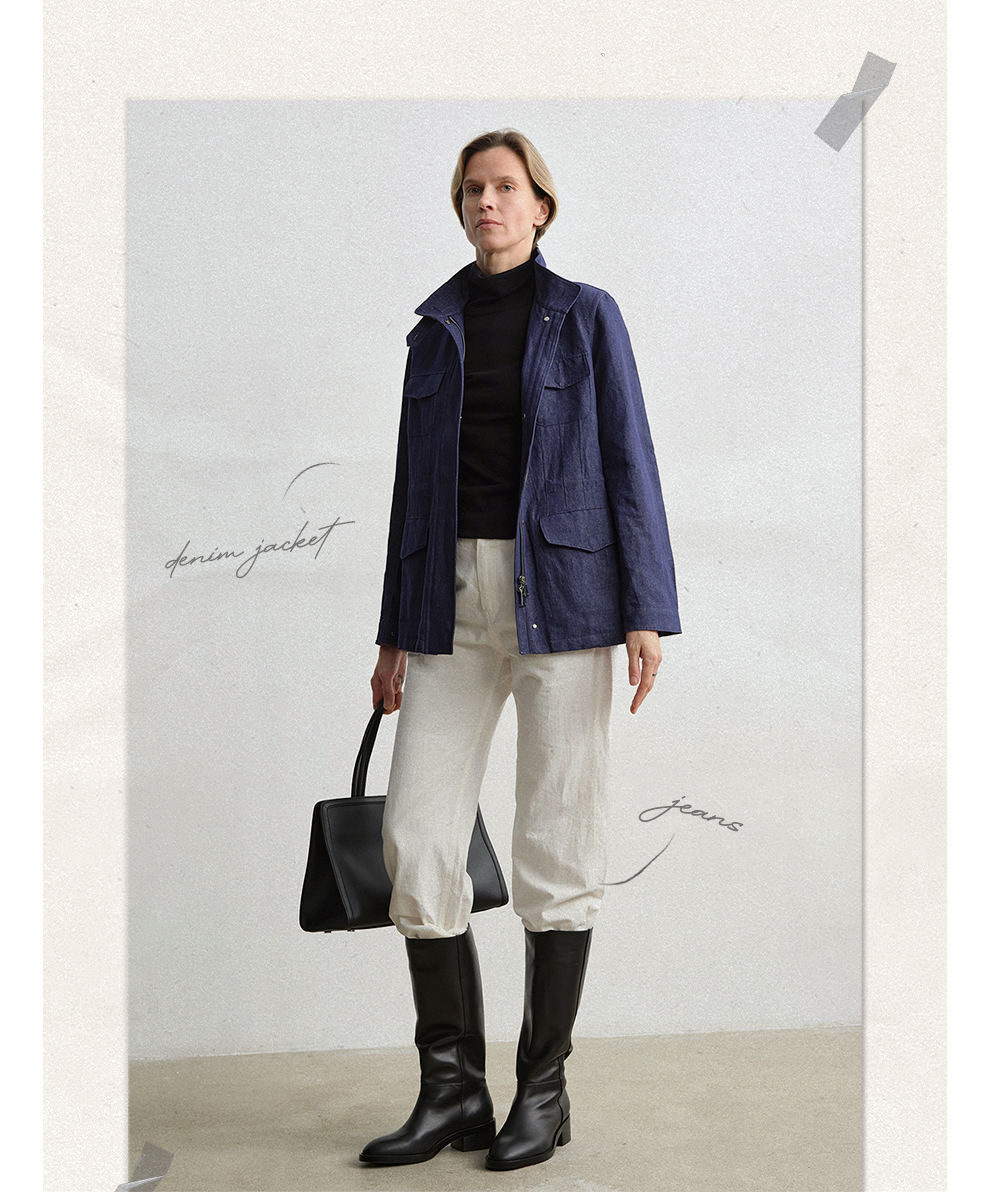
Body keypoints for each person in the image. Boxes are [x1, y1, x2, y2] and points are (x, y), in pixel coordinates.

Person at [360, 128, 680, 1171]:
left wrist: (647, 608)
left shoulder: (586, 315)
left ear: (541, 205)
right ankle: (453, 1089)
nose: (486, 203)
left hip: (570, 597)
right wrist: (393, 630)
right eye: (472, 189)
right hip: (447, 599)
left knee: (556, 835)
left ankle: (543, 1091)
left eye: (505, 187)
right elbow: (411, 491)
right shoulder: (434, 333)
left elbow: (629, 455)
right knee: (416, 837)